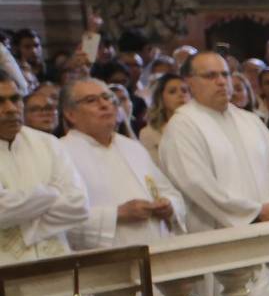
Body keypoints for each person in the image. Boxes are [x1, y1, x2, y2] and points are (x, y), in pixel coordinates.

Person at [157, 51, 269, 231]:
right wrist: (255, 213)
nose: (221, 81)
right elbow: (195, 183)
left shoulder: (250, 120)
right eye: (210, 76)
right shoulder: (182, 126)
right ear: (189, 82)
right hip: (218, 237)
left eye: (225, 74)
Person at [57, 78, 182, 247]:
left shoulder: (132, 147)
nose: (104, 105)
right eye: (91, 100)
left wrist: (168, 205)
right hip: (106, 263)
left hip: (159, 251)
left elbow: (170, 193)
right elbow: (58, 218)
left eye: (107, 98)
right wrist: (117, 214)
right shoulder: (60, 153)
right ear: (70, 114)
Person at [0, 76, 92, 260]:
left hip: (57, 263)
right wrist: (51, 193)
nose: (10, 109)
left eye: (15, 99)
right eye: (0, 102)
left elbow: (79, 204)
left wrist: (22, 223)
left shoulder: (48, 143)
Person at [140, 73, 188, 156]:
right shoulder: (149, 133)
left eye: (184, 91)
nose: (181, 95)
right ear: (161, 98)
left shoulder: (201, 127)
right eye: (172, 92)